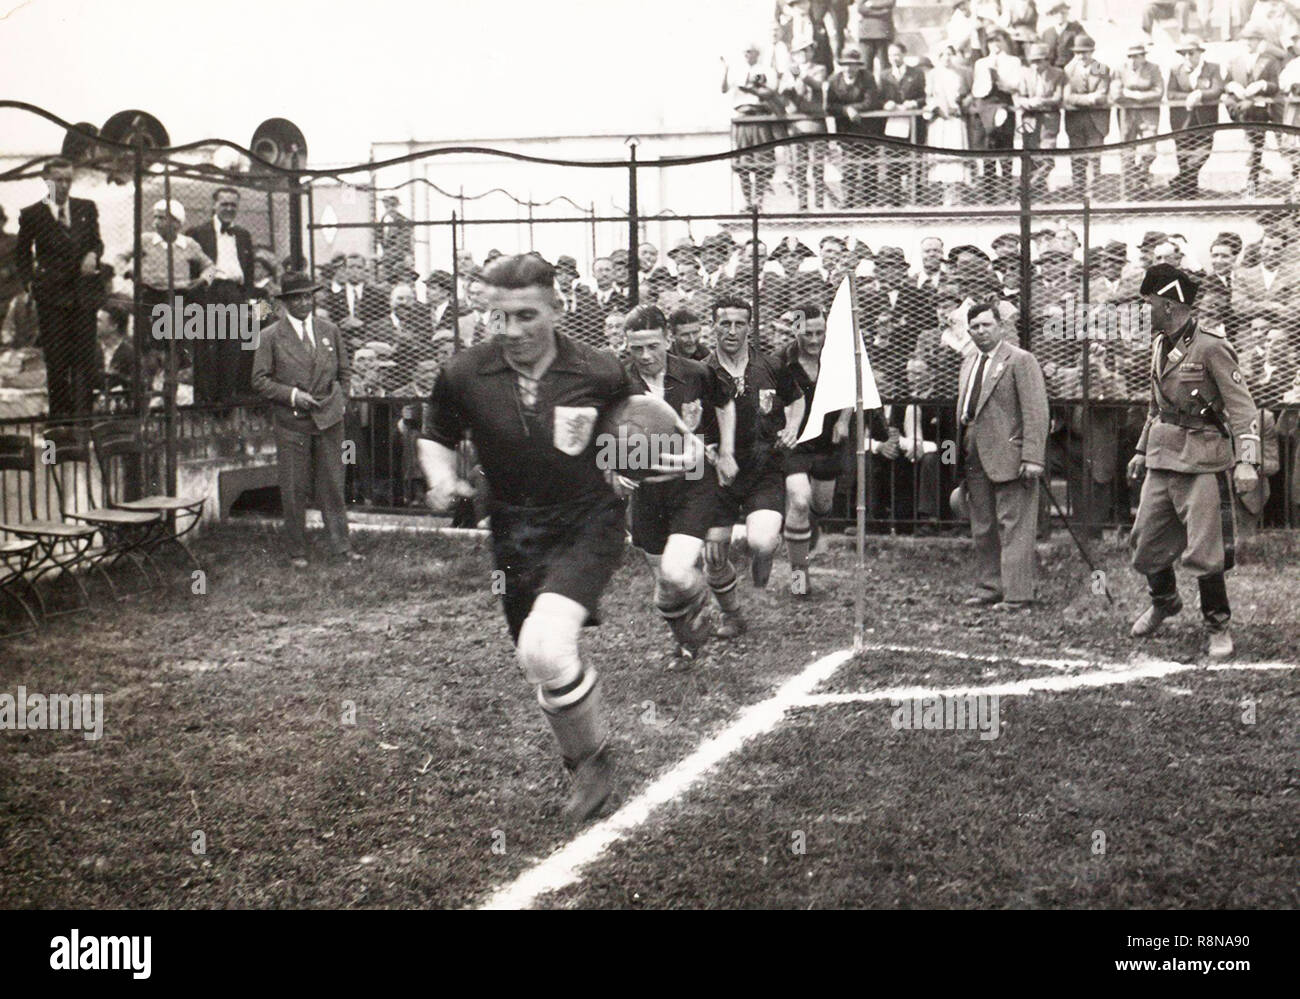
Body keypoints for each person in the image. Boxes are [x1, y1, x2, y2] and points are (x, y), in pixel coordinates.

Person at [416, 253, 634, 824]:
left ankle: (590, 765)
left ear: (557, 309)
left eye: (525, 316)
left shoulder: (601, 369)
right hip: (513, 532)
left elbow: (640, 426)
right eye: (498, 317)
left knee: (545, 645)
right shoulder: (464, 371)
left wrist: (640, 460)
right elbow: (435, 433)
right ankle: (587, 751)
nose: (511, 331)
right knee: (534, 656)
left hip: (588, 519)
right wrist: (441, 477)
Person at [1127, 264, 1261, 659]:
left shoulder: (1211, 346)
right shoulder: (1159, 343)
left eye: (1148, 303)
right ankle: (1165, 601)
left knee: (1206, 549)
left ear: (1168, 305)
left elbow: (1243, 409)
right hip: (1162, 455)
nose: (1144, 310)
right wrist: (1139, 450)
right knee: (1145, 543)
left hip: (1202, 459)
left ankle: (1217, 626)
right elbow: (1156, 407)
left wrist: (1247, 462)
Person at [622, 305, 738, 662]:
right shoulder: (618, 382)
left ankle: (719, 606)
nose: (645, 355)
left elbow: (725, 403)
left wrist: (728, 451)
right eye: (636, 347)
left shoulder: (696, 372)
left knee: (676, 572)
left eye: (653, 346)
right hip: (646, 491)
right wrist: (613, 466)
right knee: (665, 586)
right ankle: (686, 641)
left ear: (668, 339)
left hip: (692, 484)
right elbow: (601, 425)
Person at [251, 272, 361, 567]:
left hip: (328, 419)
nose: (303, 302)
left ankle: (341, 547)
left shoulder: (329, 330)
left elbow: (345, 371)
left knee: (333, 486)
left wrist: (340, 401)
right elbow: (260, 381)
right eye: (296, 298)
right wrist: (292, 396)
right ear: (285, 303)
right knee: (294, 488)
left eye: (308, 296)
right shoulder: (270, 336)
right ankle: (297, 550)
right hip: (292, 421)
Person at [703, 294, 792, 636]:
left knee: (763, 542)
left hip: (762, 467)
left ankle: (764, 559)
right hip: (717, 473)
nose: (732, 330)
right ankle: (732, 615)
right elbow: (688, 421)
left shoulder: (769, 365)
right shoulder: (701, 371)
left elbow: (796, 399)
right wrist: (709, 450)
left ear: (750, 328)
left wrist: (792, 428)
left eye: (739, 323)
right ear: (713, 326)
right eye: (724, 323)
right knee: (713, 553)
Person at [957, 302, 1049, 610]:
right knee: (983, 524)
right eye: (975, 327)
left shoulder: (1020, 360)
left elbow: (1036, 411)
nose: (980, 331)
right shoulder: (969, 361)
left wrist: (1033, 456)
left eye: (986, 325)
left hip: (1010, 455)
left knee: (1015, 525)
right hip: (974, 453)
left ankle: (1017, 594)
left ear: (1001, 326)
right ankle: (990, 587)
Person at [14, 158, 103, 422]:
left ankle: (84, 422)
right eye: (58, 180)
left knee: (84, 361)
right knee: (56, 362)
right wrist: (30, 284)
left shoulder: (86, 208)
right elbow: (22, 255)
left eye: (68, 180)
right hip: (52, 299)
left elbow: (97, 242)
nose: (64, 186)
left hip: (83, 298)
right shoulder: (32, 214)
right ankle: (60, 423)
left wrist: (92, 255)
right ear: (46, 180)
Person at [774, 303, 848, 593]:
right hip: (795, 443)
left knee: (821, 505)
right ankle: (799, 581)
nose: (815, 340)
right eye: (808, 334)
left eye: (820, 333)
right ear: (795, 331)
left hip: (828, 441)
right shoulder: (780, 362)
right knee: (800, 501)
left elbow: (847, 393)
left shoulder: (837, 357)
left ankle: (805, 528)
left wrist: (843, 421)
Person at [186, 187, 257, 403]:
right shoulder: (197, 233)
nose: (229, 208)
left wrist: (247, 298)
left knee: (232, 349)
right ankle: (205, 405)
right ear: (214, 205)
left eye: (233, 205)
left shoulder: (243, 235)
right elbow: (190, 268)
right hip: (209, 293)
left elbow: (249, 270)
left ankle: (226, 405)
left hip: (234, 294)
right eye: (224, 204)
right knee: (206, 348)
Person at [1223, 24, 1282, 196]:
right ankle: (1245, 184)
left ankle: (1252, 186)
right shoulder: (1235, 60)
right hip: (1238, 113)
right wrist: (1232, 86)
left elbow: (1275, 86)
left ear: (1259, 41)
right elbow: (1226, 83)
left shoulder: (1269, 60)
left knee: (1255, 149)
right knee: (1244, 150)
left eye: (1252, 39)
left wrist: (1261, 85)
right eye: (1246, 39)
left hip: (1258, 112)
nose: (1249, 42)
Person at [1166, 36, 1224, 199]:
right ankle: (1188, 194)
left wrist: (1200, 94)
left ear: (1199, 53)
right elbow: (1170, 93)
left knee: (1202, 153)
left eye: (1191, 53)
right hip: (1181, 120)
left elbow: (1217, 89)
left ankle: (1179, 182)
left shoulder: (1212, 68)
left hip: (1205, 120)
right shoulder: (1175, 70)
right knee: (1183, 157)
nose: (1188, 57)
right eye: (1184, 54)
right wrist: (1188, 97)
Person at [827, 46, 884, 207]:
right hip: (845, 128)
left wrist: (855, 108)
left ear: (858, 65)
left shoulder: (867, 78)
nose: (849, 68)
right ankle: (849, 199)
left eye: (853, 64)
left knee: (868, 164)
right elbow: (830, 105)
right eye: (845, 64)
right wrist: (845, 110)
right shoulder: (834, 80)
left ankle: (869, 201)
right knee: (847, 164)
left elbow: (871, 101)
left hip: (866, 128)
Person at [1112, 42, 1165, 197]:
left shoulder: (1153, 69)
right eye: (1129, 56)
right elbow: (1116, 93)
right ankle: (1128, 191)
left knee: (1149, 150)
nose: (1132, 60)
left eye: (1136, 56)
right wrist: (1126, 95)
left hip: (1148, 116)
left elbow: (1158, 91)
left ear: (1143, 57)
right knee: (1127, 151)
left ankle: (1141, 175)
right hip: (1127, 116)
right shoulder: (1119, 69)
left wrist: (1138, 96)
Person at [1062, 35, 1111, 197]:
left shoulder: (1101, 68)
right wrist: (1089, 99)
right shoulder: (1069, 70)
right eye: (1078, 53)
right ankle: (1078, 191)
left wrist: (1083, 99)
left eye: (1086, 52)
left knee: (1094, 157)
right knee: (1076, 156)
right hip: (1075, 119)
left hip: (1096, 120)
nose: (1082, 56)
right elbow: (1067, 97)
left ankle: (1093, 192)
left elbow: (1102, 95)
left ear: (1092, 52)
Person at [925, 45, 972, 204]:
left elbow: (968, 95)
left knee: (956, 153)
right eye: (942, 54)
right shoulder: (932, 74)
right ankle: (945, 195)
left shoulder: (961, 73)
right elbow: (929, 97)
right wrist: (937, 107)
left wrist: (961, 106)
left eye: (949, 54)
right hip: (940, 120)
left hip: (956, 118)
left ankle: (957, 195)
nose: (946, 57)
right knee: (941, 154)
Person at [1016, 43, 1066, 193]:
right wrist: (1028, 103)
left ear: (1047, 60)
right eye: (1033, 61)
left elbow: (1058, 97)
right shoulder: (1025, 74)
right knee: (1029, 155)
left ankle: (1027, 187)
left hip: (1049, 118)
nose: (1036, 65)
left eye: (1039, 61)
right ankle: (1036, 191)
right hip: (1029, 118)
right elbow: (1020, 97)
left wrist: (1042, 102)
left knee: (1047, 156)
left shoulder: (1058, 74)